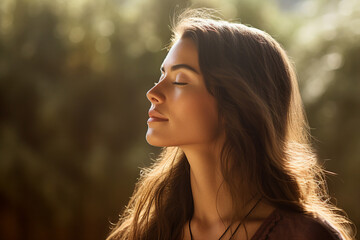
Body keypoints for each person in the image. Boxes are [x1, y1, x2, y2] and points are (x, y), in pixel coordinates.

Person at [107, 9, 354, 240]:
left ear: (236, 102)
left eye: (180, 80)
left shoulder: (305, 235)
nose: (153, 92)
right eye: (162, 76)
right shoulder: (145, 232)